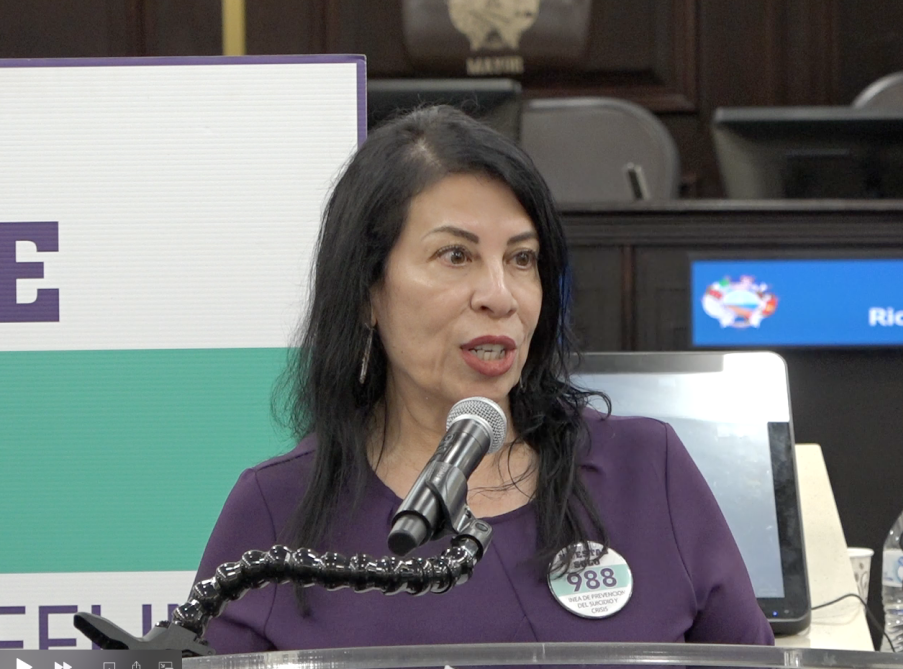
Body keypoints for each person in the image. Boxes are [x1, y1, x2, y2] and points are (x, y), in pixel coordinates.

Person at [193, 106, 773, 654]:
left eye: (521, 259)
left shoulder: (646, 471)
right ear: (367, 290)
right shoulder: (275, 510)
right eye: (455, 256)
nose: (500, 296)